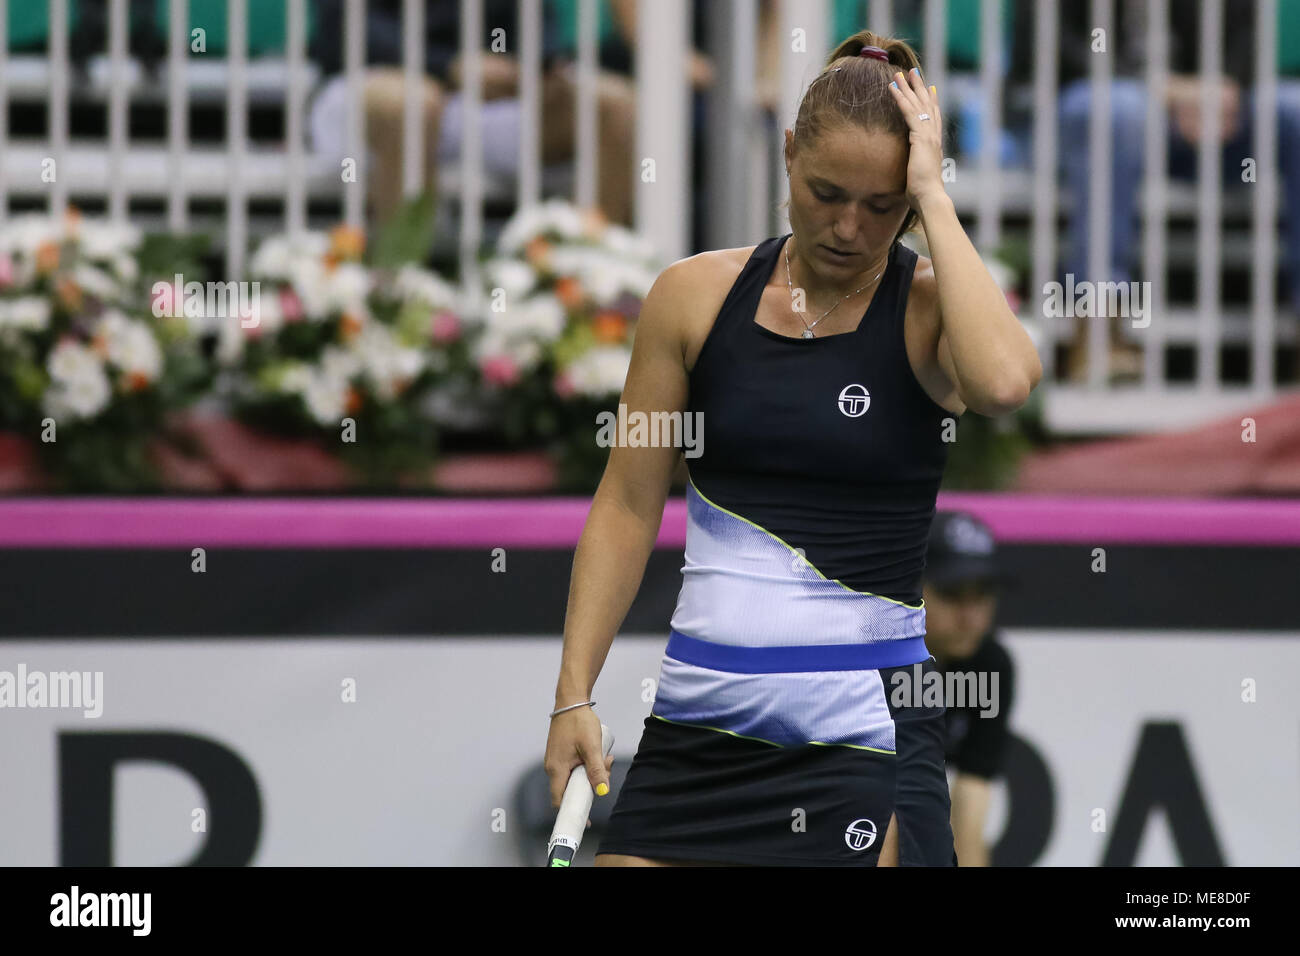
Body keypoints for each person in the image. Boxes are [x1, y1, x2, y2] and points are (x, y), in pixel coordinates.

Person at [543, 28, 1041, 867]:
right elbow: (627, 504)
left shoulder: (924, 308)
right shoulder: (691, 299)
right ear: (785, 156)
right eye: (826, 192)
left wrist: (937, 197)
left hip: (865, 728)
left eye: (883, 205)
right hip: (698, 722)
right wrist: (572, 695)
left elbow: (1002, 384)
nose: (849, 226)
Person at [308, 0, 637, 227]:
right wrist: (449, 64)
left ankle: (586, 295)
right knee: (415, 104)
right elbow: (347, 28)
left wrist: (530, 68)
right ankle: (401, 297)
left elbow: (536, 25)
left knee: (616, 105)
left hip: (486, 100)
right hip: (376, 82)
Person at [895, 510, 1017, 867]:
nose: (971, 616)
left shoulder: (990, 663)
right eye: (951, 595)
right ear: (910, 587)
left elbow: (972, 794)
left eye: (982, 595)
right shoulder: (875, 661)